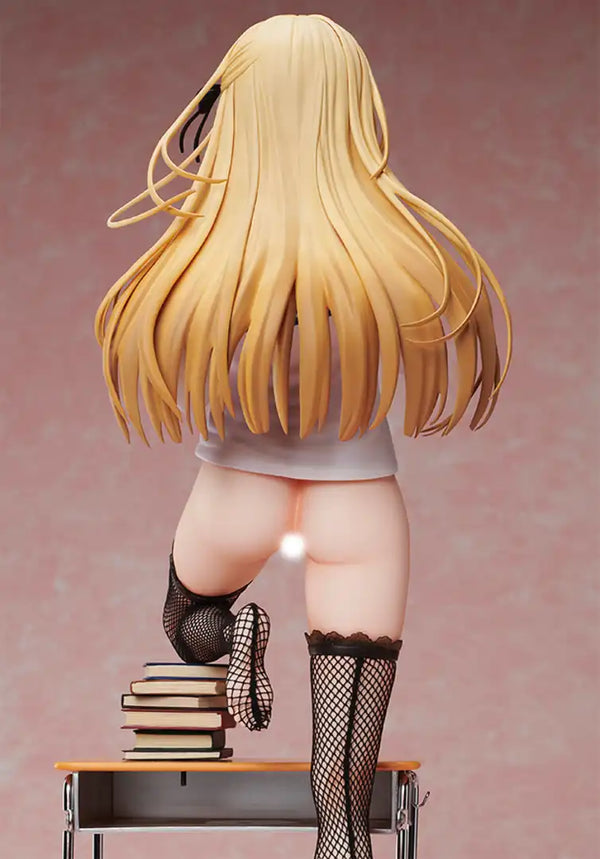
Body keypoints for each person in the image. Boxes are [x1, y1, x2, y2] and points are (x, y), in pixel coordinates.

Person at [95, 14, 512, 858]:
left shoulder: (211, 253)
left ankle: (236, 635)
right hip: (358, 502)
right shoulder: (387, 249)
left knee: (186, 618)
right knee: (342, 808)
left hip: (237, 487)